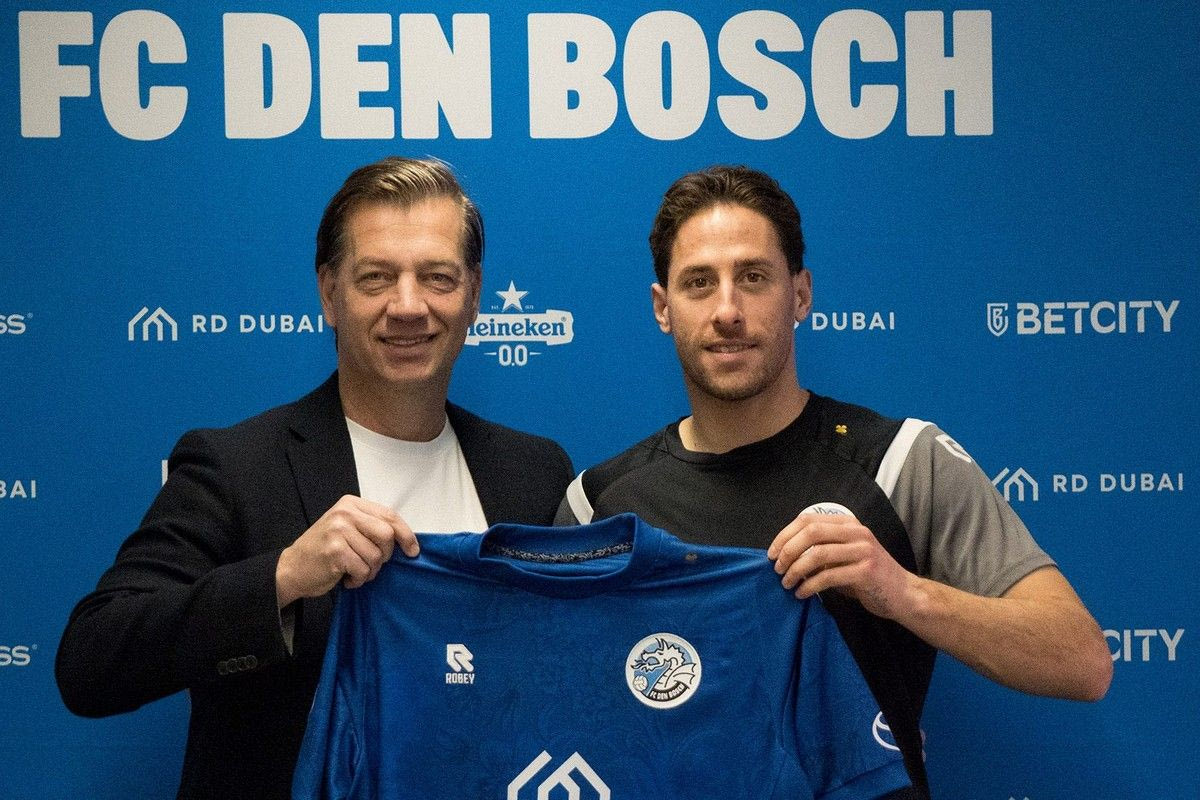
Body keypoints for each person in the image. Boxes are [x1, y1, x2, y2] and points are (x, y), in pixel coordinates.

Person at [556, 165, 1113, 797]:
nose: (727, 311)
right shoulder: (599, 506)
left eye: (753, 277)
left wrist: (901, 592)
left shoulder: (901, 463)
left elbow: (1082, 661)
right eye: (699, 283)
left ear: (800, 294)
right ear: (664, 308)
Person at [56, 156, 573, 800]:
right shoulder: (235, 467)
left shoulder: (534, 473)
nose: (407, 306)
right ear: (330, 294)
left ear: (473, 293)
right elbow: (91, 661)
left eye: (437, 278)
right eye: (376, 278)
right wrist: (283, 577)